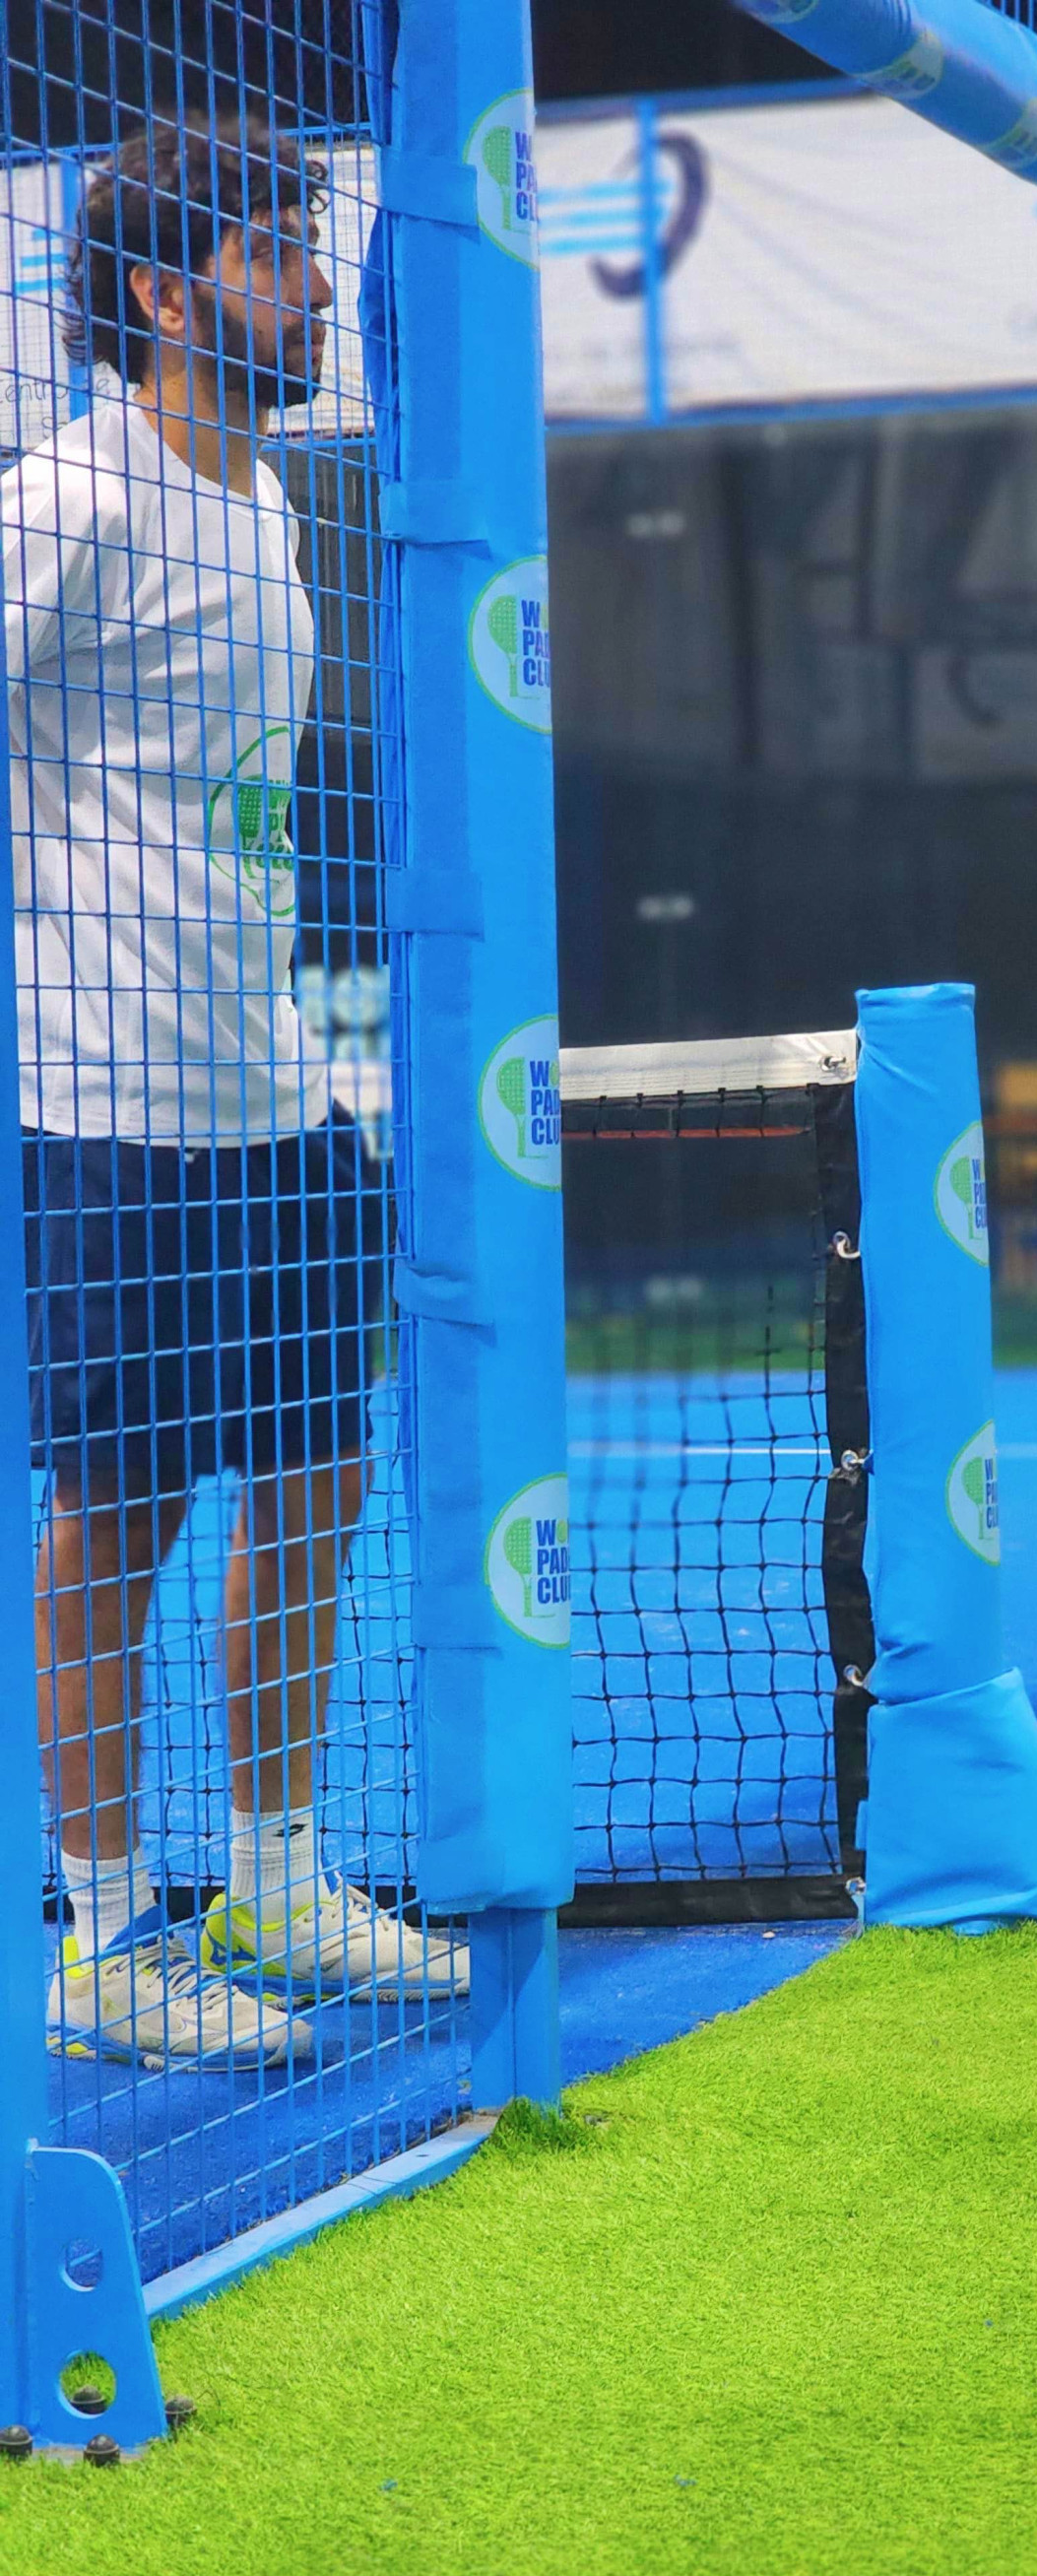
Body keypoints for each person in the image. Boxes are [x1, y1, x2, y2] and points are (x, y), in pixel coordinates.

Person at [9, 115, 465, 2072]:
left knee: (313, 1474)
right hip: (106, 1108)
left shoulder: (265, 493)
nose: (311, 284)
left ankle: (274, 1875)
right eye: (273, 249)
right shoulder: (66, 495)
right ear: (164, 290)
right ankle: (110, 1935)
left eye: (303, 241)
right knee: (117, 1512)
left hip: (273, 1096)